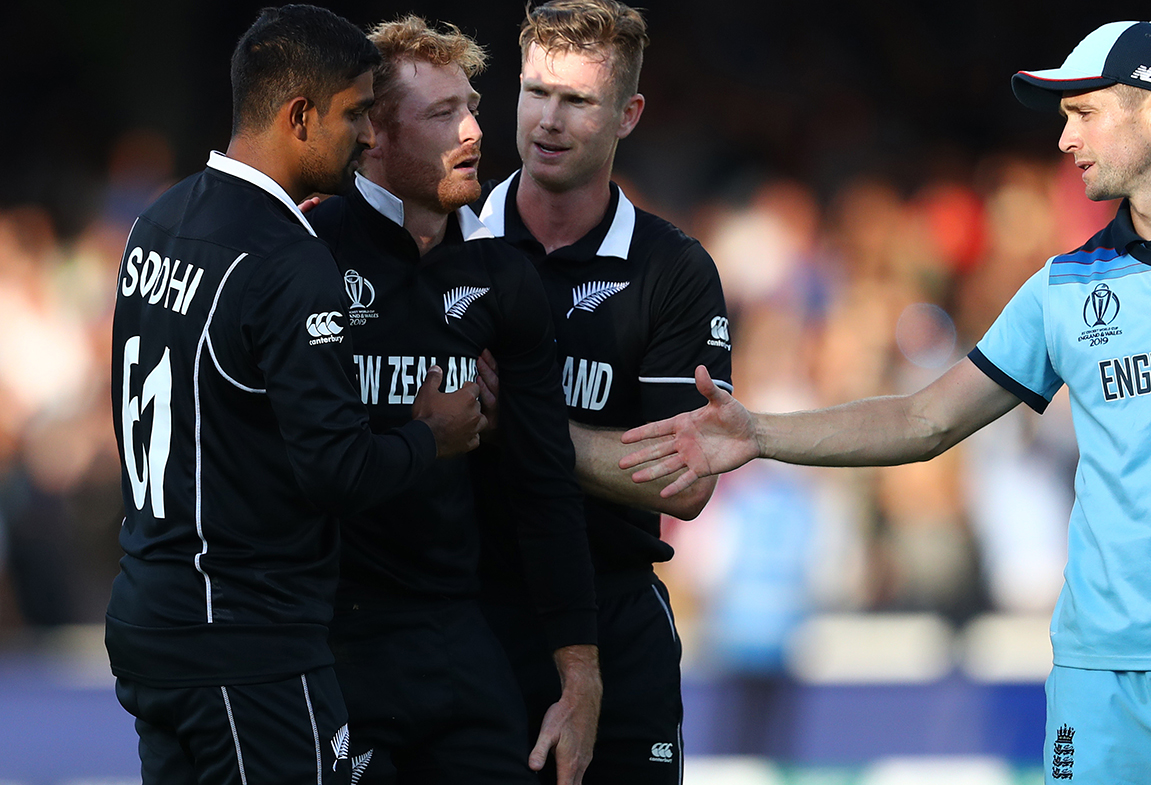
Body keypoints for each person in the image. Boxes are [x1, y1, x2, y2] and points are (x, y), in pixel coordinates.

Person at [621, 21, 1151, 784]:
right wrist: (756, 431)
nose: (1064, 138)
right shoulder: (1063, 285)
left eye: (1084, 113)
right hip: (1104, 670)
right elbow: (924, 418)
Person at [107, 6, 482, 783]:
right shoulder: (288, 257)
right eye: (353, 115)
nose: (368, 137)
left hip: (151, 614)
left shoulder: (159, 220)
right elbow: (337, 470)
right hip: (246, 645)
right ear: (300, 116)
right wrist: (431, 436)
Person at [305, 15, 601, 784]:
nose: (473, 131)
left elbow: (545, 479)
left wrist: (580, 670)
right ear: (371, 132)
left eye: (470, 106)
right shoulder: (306, 254)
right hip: (332, 638)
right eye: (442, 115)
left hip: (458, 632)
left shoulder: (504, 278)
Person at [472, 1, 732, 781]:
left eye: (578, 101)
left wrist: (514, 420)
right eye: (536, 92)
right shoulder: (451, 240)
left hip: (616, 614)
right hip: (465, 609)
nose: (548, 121)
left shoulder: (672, 270)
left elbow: (685, 480)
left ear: (629, 114)